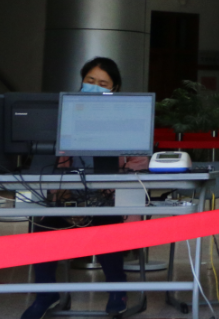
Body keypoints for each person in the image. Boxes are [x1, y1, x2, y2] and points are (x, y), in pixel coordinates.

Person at [20, 57, 148, 319]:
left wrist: (109, 187)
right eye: (90, 80)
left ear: (115, 89)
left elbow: (140, 163)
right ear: (81, 82)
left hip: (110, 198)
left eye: (103, 83)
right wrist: (62, 193)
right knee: (44, 224)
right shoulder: (65, 115)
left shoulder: (128, 117)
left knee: (105, 221)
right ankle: (46, 294)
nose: (94, 86)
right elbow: (55, 163)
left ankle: (117, 290)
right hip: (69, 196)